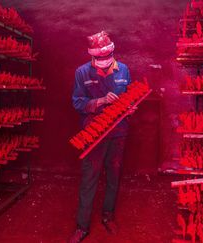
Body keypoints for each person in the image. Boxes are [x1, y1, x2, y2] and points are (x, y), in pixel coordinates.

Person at [69, 31, 133, 242]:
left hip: (118, 132)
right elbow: (77, 103)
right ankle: (82, 226)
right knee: (89, 178)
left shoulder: (123, 69)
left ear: (113, 52)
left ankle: (107, 216)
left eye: (108, 58)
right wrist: (101, 101)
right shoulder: (82, 72)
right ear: (93, 57)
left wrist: (130, 107)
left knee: (113, 177)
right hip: (94, 133)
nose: (104, 63)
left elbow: (130, 98)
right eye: (100, 59)